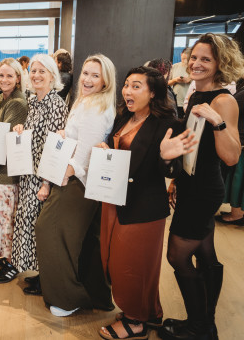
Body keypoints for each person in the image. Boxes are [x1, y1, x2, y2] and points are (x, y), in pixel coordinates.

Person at [97, 66, 193, 339]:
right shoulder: (123, 117)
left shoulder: (166, 124)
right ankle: (149, 312)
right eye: (126, 85)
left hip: (143, 207)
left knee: (132, 266)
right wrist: (107, 151)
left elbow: (172, 171)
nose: (127, 91)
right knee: (116, 261)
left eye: (136, 86)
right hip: (115, 199)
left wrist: (166, 158)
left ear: (153, 93)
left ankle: (135, 321)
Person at [159, 33, 243, 340]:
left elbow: (231, 156)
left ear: (221, 63)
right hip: (191, 184)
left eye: (205, 59)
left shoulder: (223, 100)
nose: (196, 63)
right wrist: (176, 181)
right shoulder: (196, 94)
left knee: (177, 256)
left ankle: (198, 326)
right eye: (194, 57)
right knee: (206, 255)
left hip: (204, 190)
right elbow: (192, 147)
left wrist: (217, 121)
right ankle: (206, 323)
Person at [35, 54, 117, 317]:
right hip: (78, 179)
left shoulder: (96, 107)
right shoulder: (86, 101)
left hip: (77, 181)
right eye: (86, 73)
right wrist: (65, 134)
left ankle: (67, 298)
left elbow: (87, 150)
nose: (88, 79)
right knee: (84, 241)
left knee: (51, 231)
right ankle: (95, 295)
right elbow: (80, 136)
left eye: (95, 75)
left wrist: (67, 173)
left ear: (105, 81)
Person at [0, 54, 67, 291]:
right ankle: (38, 272)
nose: (36, 75)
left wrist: (46, 183)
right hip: (29, 174)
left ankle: (45, 277)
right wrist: (20, 128)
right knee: (28, 222)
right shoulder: (35, 101)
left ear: (52, 76)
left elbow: (54, 146)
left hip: (43, 177)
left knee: (39, 228)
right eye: (33, 71)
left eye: (42, 71)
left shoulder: (55, 104)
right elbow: (32, 135)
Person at [0, 59, 29, 283]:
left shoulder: (17, 103)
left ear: (18, 78)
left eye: (9, 76)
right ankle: (7, 257)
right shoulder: (3, 99)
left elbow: (6, 141)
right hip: (3, 169)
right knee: (3, 216)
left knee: (7, 218)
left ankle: (13, 264)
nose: (4, 80)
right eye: (1, 75)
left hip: (8, 172)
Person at [216, 77, 244, 224]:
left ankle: (237, 214)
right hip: (239, 140)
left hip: (240, 142)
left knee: (238, 180)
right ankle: (237, 212)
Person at [170, 48, 192, 117]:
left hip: (188, 101)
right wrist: (175, 80)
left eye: (187, 59)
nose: (184, 61)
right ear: (181, 55)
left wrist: (190, 80)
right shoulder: (174, 66)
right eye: (183, 58)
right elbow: (166, 83)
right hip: (175, 100)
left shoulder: (193, 68)